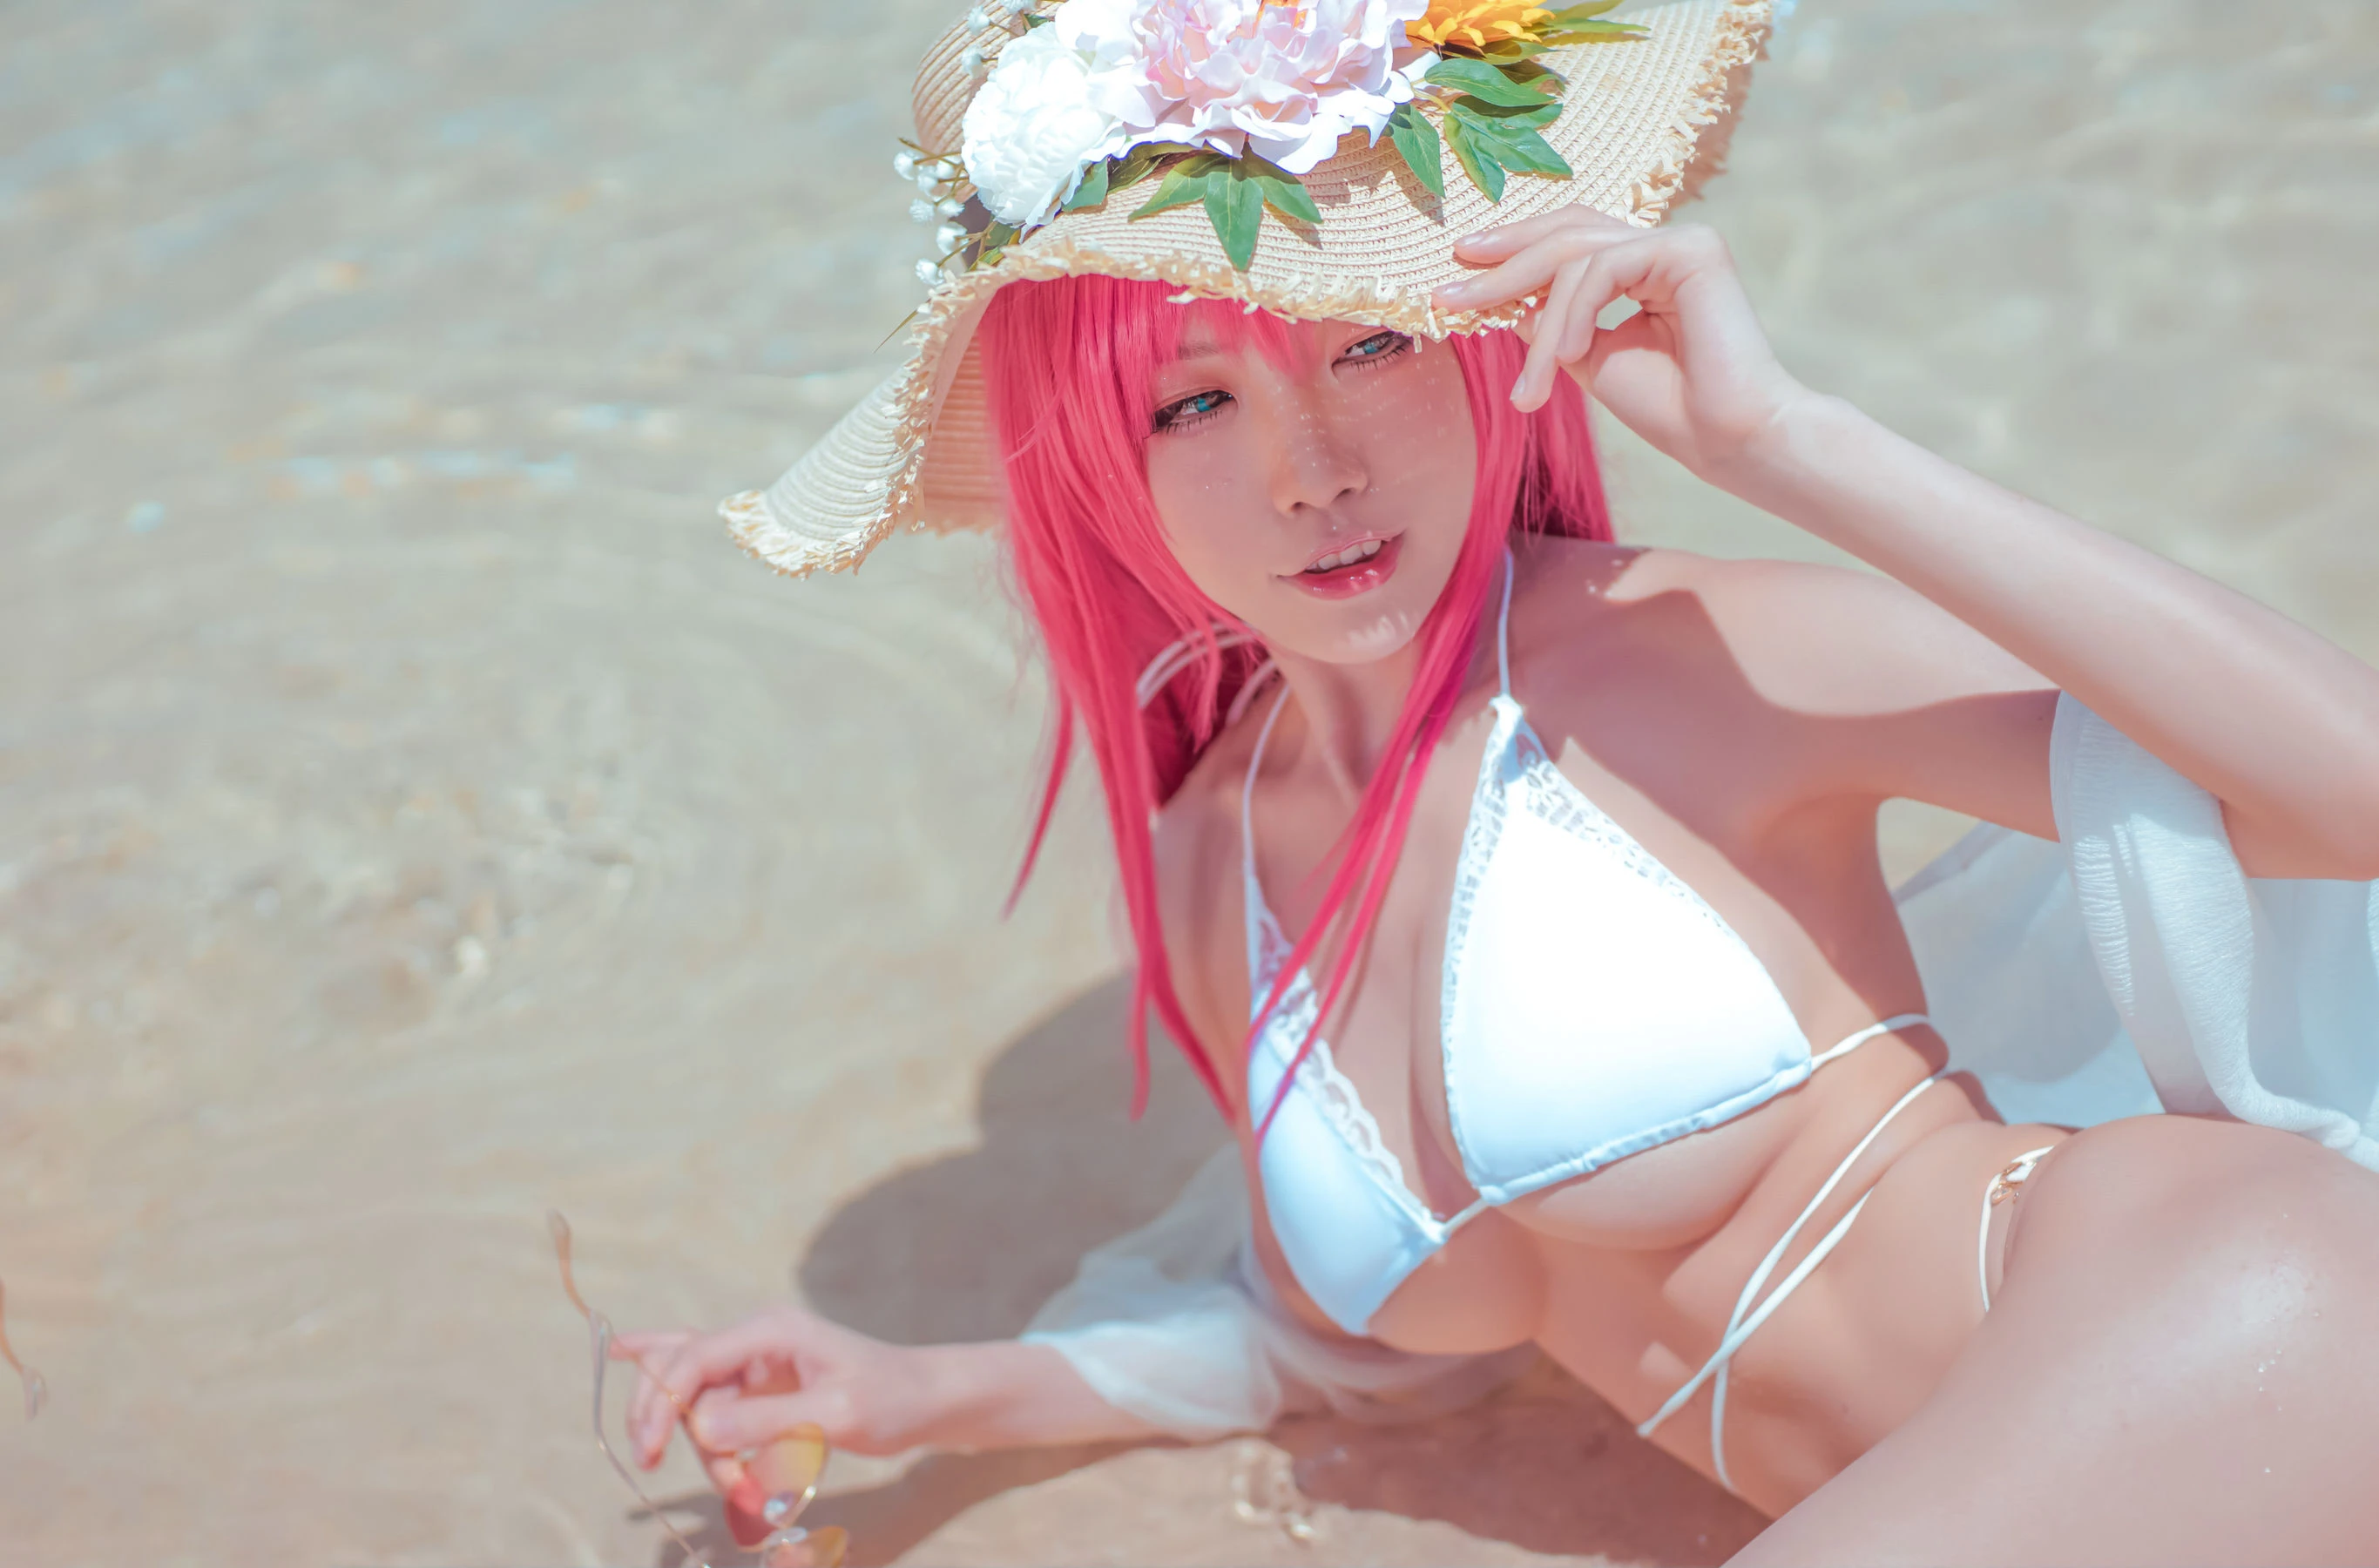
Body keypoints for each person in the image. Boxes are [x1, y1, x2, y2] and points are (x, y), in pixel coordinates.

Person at [613, 1, 2379, 1558]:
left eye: (1366, 341)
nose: (1312, 469)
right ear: (1095, 470)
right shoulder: (1216, 854)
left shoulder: (1669, 657)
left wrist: (1786, 443)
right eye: (1193, 405)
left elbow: (2347, 802)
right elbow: (1326, 1350)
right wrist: (922, 1392)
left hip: (2222, 1327)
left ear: (1476, 341)